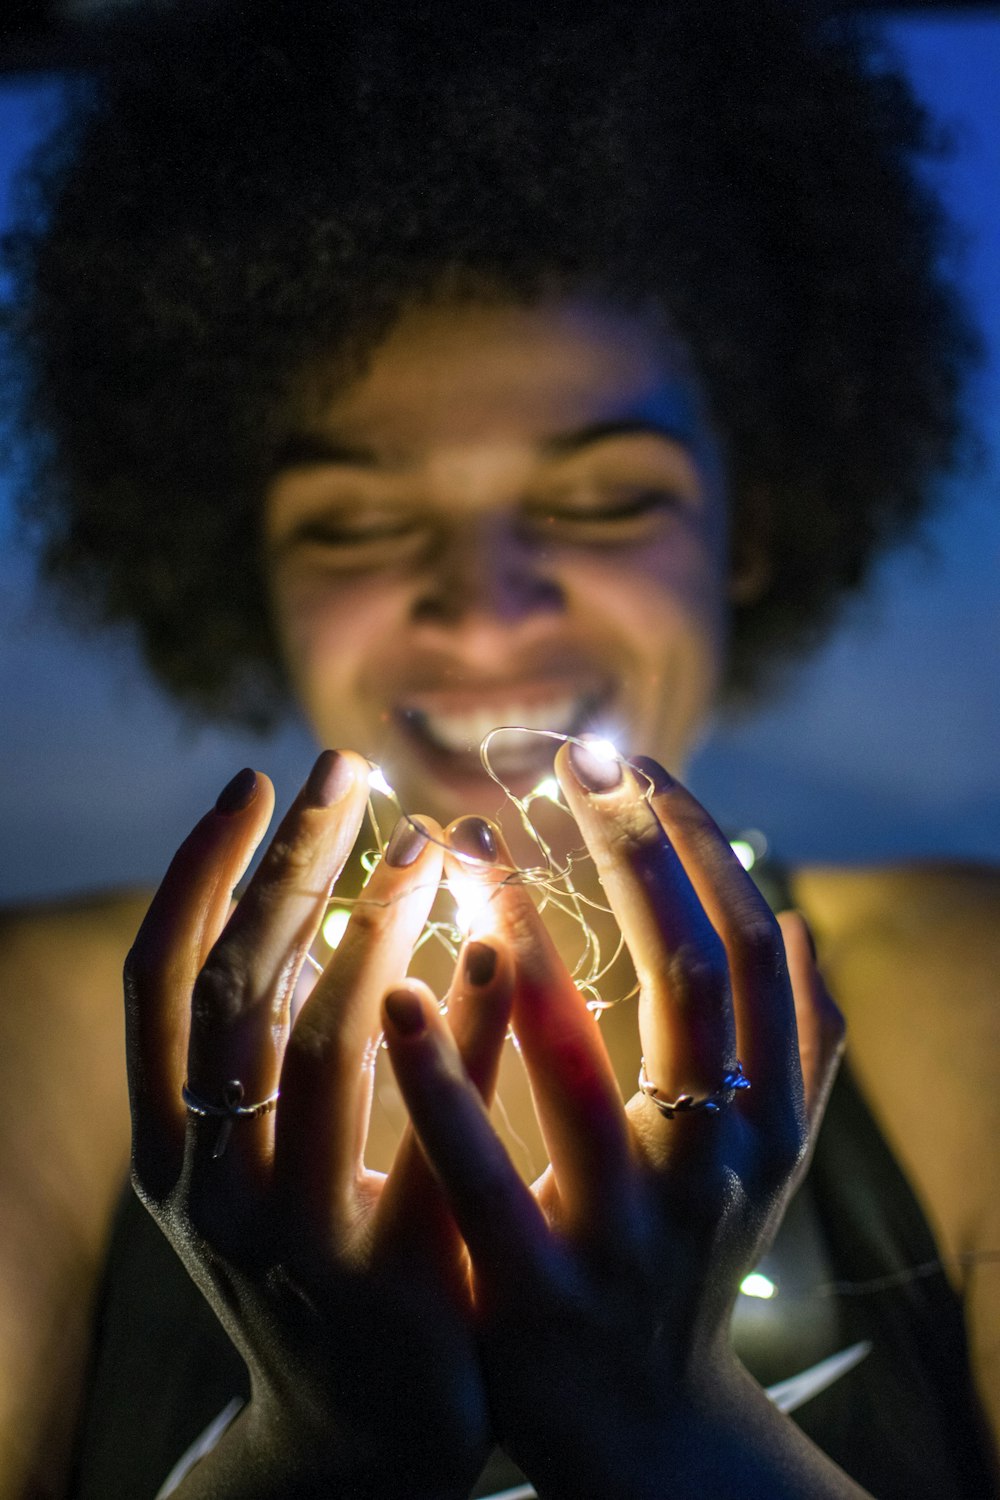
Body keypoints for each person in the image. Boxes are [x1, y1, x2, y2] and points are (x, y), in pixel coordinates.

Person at [0, 2, 997, 1496]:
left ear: (756, 524)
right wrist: (320, 1448)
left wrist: (664, 1415)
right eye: (356, 520)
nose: (484, 608)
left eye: (605, 498)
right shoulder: (50, 1028)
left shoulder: (964, 990)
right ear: (243, 564)